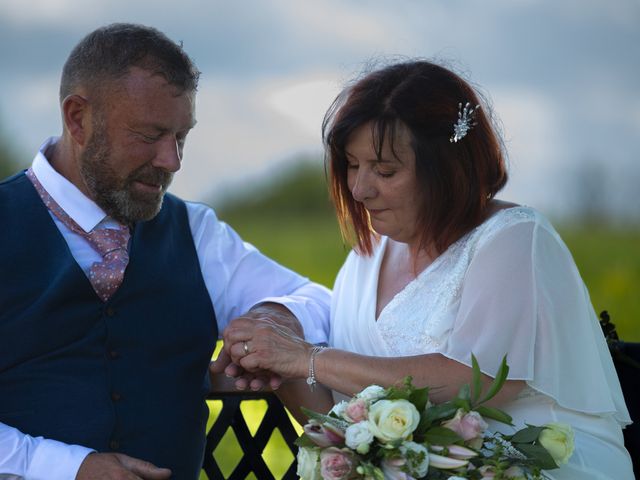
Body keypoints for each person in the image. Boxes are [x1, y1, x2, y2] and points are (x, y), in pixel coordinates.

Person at [222, 60, 635, 478]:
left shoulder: (514, 238)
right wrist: (277, 366)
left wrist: (309, 358)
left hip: (531, 466)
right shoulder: (365, 258)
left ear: (447, 170)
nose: (360, 189)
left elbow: (481, 381)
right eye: (351, 164)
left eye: (385, 170)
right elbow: (341, 416)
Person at [0, 23, 330, 480]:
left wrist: (273, 319)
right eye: (149, 135)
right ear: (77, 118)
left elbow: (319, 301)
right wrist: (65, 467)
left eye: (181, 136)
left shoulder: (196, 231)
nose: (171, 160)